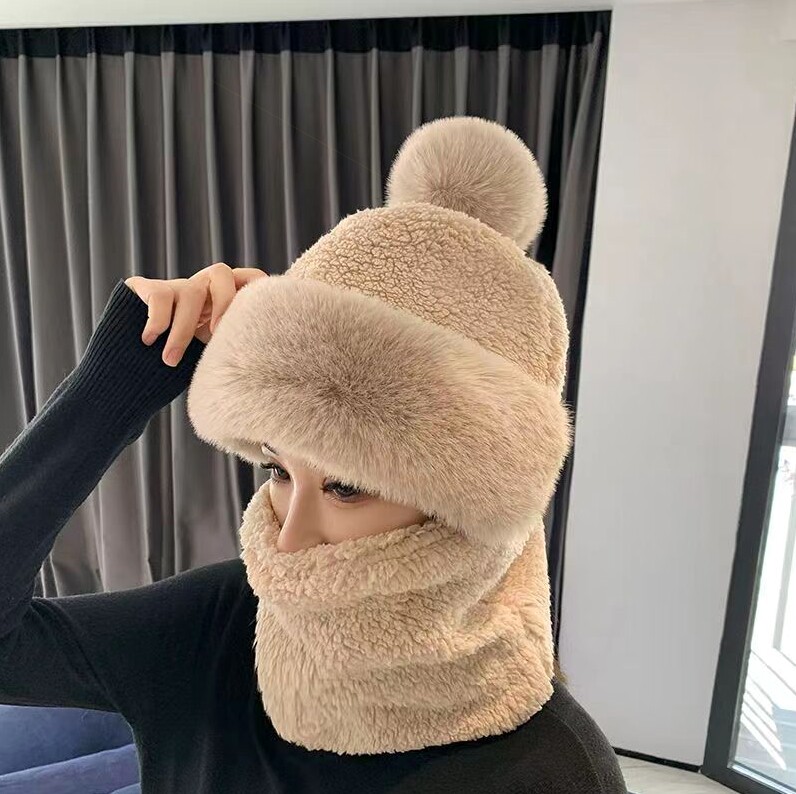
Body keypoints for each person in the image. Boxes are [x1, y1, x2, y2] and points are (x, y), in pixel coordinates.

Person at [0, 116, 627, 793]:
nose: (289, 540)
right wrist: (123, 375)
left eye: (345, 486)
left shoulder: (555, 770)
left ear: (466, 505)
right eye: (278, 470)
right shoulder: (219, 625)